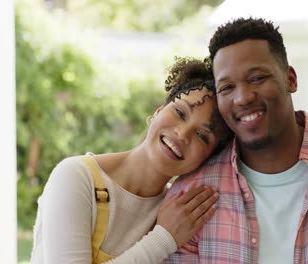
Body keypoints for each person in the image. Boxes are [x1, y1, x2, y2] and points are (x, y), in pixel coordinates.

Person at [164, 18, 308, 263]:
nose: (243, 98)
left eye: (256, 78)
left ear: (290, 79)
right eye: (226, 88)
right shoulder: (190, 196)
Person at [30, 57, 233, 264]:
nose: (182, 133)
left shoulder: (178, 211)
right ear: (158, 111)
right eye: (180, 112)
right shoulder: (76, 176)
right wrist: (164, 238)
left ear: (208, 158)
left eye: (202, 136)